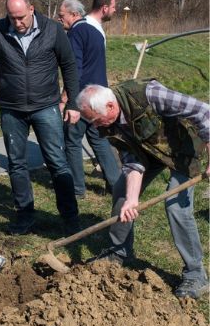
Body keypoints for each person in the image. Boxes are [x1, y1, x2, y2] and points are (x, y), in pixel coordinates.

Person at [76, 80, 209, 299]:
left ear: (110, 106)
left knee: (176, 206)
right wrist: (131, 199)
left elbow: (203, 111)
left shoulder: (148, 94)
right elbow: (133, 162)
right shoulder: (109, 123)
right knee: (121, 192)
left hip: (184, 148)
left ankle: (196, 273)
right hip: (149, 152)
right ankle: (118, 252)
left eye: (96, 120)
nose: (96, 126)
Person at [0, 0, 81, 235]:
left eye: (20, 17)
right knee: (17, 165)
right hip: (12, 109)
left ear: (31, 9)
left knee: (57, 163)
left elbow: (69, 65)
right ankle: (25, 215)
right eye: (12, 17)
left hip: (46, 106)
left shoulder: (52, 30)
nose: (17, 23)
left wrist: (73, 104)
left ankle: (70, 217)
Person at [57, 0, 122, 196]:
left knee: (72, 139)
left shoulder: (76, 32)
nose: (60, 19)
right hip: (100, 94)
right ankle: (116, 184)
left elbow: (74, 68)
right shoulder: (96, 31)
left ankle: (77, 188)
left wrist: (65, 98)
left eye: (62, 15)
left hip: (84, 96)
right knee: (99, 138)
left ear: (74, 14)